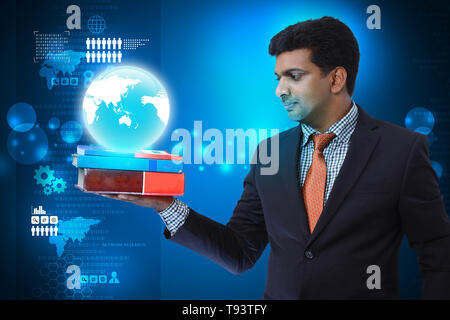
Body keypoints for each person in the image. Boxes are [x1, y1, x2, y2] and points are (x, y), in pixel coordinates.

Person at [96, 16, 450, 299]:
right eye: (279, 77)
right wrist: (164, 205)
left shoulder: (402, 150)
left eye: (294, 76)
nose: (280, 90)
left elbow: (438, 253)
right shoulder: (270, 153)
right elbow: (240, 252)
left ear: (336, 78)